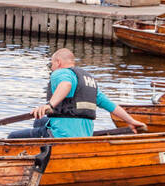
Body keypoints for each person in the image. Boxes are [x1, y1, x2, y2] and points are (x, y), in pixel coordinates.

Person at [9, 48, 147, 139]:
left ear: (58, 62)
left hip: (61, 134)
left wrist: (49, 105)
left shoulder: (60, 73)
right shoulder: (88, 81)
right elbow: (111, 106)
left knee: (12, 137)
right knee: (39, 121)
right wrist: (132, 121)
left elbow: (66, 85)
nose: (51, 68)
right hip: (83, 134)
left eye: (51, 64)